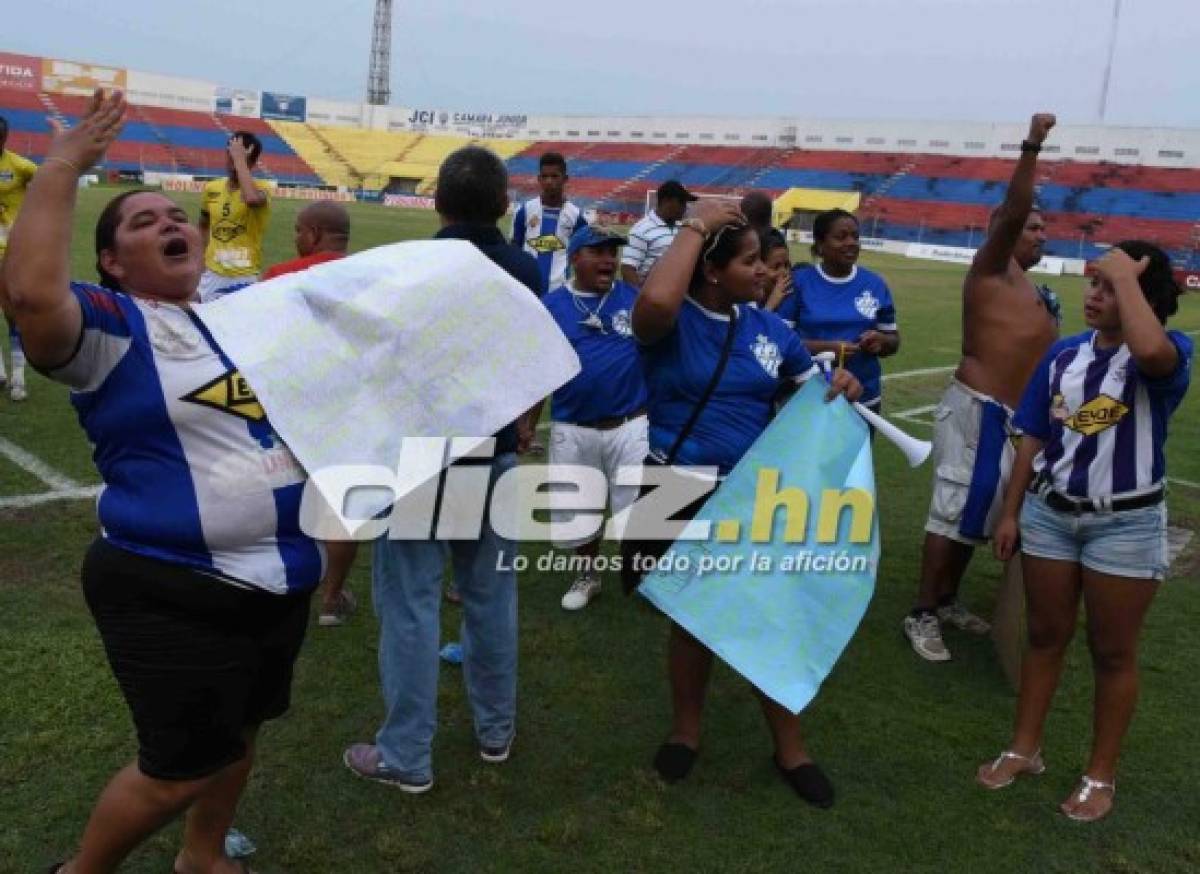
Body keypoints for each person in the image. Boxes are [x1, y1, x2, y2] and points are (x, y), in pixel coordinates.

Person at [3, 90, 321, 874]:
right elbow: (31, 297)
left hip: (279, 575)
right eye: (143, 224)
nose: (172, 225)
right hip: (171, 581)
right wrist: (66, 165)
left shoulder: (241, 310)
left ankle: (202, 858)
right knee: (178, 769)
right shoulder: (112, 328)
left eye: (176, 218)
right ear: (111, 262)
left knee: (244, 731)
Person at [629, 199, 862, 807]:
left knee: (767, 616)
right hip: (676, 486)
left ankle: (791, 747)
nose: (766, 273)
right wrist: (694, 224)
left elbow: (807, 392)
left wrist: (838, 382)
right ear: (712, 269)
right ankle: (686, 730)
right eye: (752, 261)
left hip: (746, 495)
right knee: (691, 622)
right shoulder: (671, 322)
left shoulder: (769, 329)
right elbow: (651, 304)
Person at [344, 146, 540, 793]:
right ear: (505, 204)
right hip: (495, 454)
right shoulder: (527, 271)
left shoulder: (411, 269)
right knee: (491, 599)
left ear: (436, 200)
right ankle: (495, 731)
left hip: (424, 457)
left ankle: (406, 754)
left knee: (410, 606)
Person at [977, 241, 1190, 823]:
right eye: (1093, 283)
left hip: (1124, 522)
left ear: (1139, 296)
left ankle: (1100, 775)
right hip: (1051, 515)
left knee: (1112, 651)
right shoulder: (1064, 354)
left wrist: (1129, 278)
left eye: (1107, 285)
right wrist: (1014, 511)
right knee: (1044, 637)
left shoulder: (1168, 349)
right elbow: (1034, 436)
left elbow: (1150, 351)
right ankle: (1025, 748)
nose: (1092, 294)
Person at [904, 113, 1061, 662]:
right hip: (976, 411)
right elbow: (1016, 207)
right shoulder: (991, 270)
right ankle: (921, 612)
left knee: (982, 512)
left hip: (1009, 420)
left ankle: (945, 600)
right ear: (1006, 230)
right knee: (951, 510)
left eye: (1044, 229)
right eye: (1033, 228)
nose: (1041, 234)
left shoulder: (1033, 290)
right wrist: (1032, 146)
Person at [261, 201, 358, 628]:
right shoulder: (371, 274)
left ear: (315, 233)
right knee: (342, 507)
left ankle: (281, 584)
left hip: (290, 405)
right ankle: (331, 598)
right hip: (351, 406)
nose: (295, 237)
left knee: (283, 496)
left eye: (299, 229)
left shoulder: (279, 277)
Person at [543, 224, 648, 610]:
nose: (609, 260)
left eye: (613, 252)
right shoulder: (552, 304)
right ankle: (587, 575)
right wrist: (526, 422)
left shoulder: (636, 299)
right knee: (580, 508)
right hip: (573, 425)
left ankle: (642, 576)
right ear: (575, 258)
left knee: (637, 508)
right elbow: (539, 366)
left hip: (631, 423)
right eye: (598, 252)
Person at [775, 210, 899, 412]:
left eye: (855, 237)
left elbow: (893, 340)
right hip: (811, 397)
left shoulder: (875, 284)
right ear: (820, 244)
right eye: (841, 237)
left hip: (864, 400)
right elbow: (779, 341)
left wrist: (883, 341)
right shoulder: (799, 282)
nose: (851, 242)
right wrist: (828, 348)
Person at [197, 131, 271, 302]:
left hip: (243, 275)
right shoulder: (212, 188)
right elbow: (202, 225)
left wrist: (239, 162)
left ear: (252, 163)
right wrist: (200, 260)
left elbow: (251, 199)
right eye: (230, 158)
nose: (232, 166)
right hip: (211, 274)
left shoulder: (262, 188)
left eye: (240, 160)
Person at [511, 151, 587, 294]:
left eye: (554, 176)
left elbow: (582, 256)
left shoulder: (576, 216)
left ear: (565, 179)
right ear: (539, 179)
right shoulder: (525, 211)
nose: (549, 181)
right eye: (544, 176)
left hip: (560, 290)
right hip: (527, 289)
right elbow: (515, 247)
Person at [0, 114, 38, 401]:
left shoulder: (21, 166)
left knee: (14, 316)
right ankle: (2, 373)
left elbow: (51, 186)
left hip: (12, 252)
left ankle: (18, 378)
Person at [620, 179, 697, 288]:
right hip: (650, 298)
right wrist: (638, 299)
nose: (685, 207)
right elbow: (628, 269)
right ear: (666, 201)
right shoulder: (642, 229)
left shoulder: (682, 228)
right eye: (681, 202)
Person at [759, 229, 793, 311]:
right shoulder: (745, 303)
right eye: (776, 267)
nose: (785, 272)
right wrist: (770, 306)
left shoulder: (793, 300)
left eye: (786, 265)